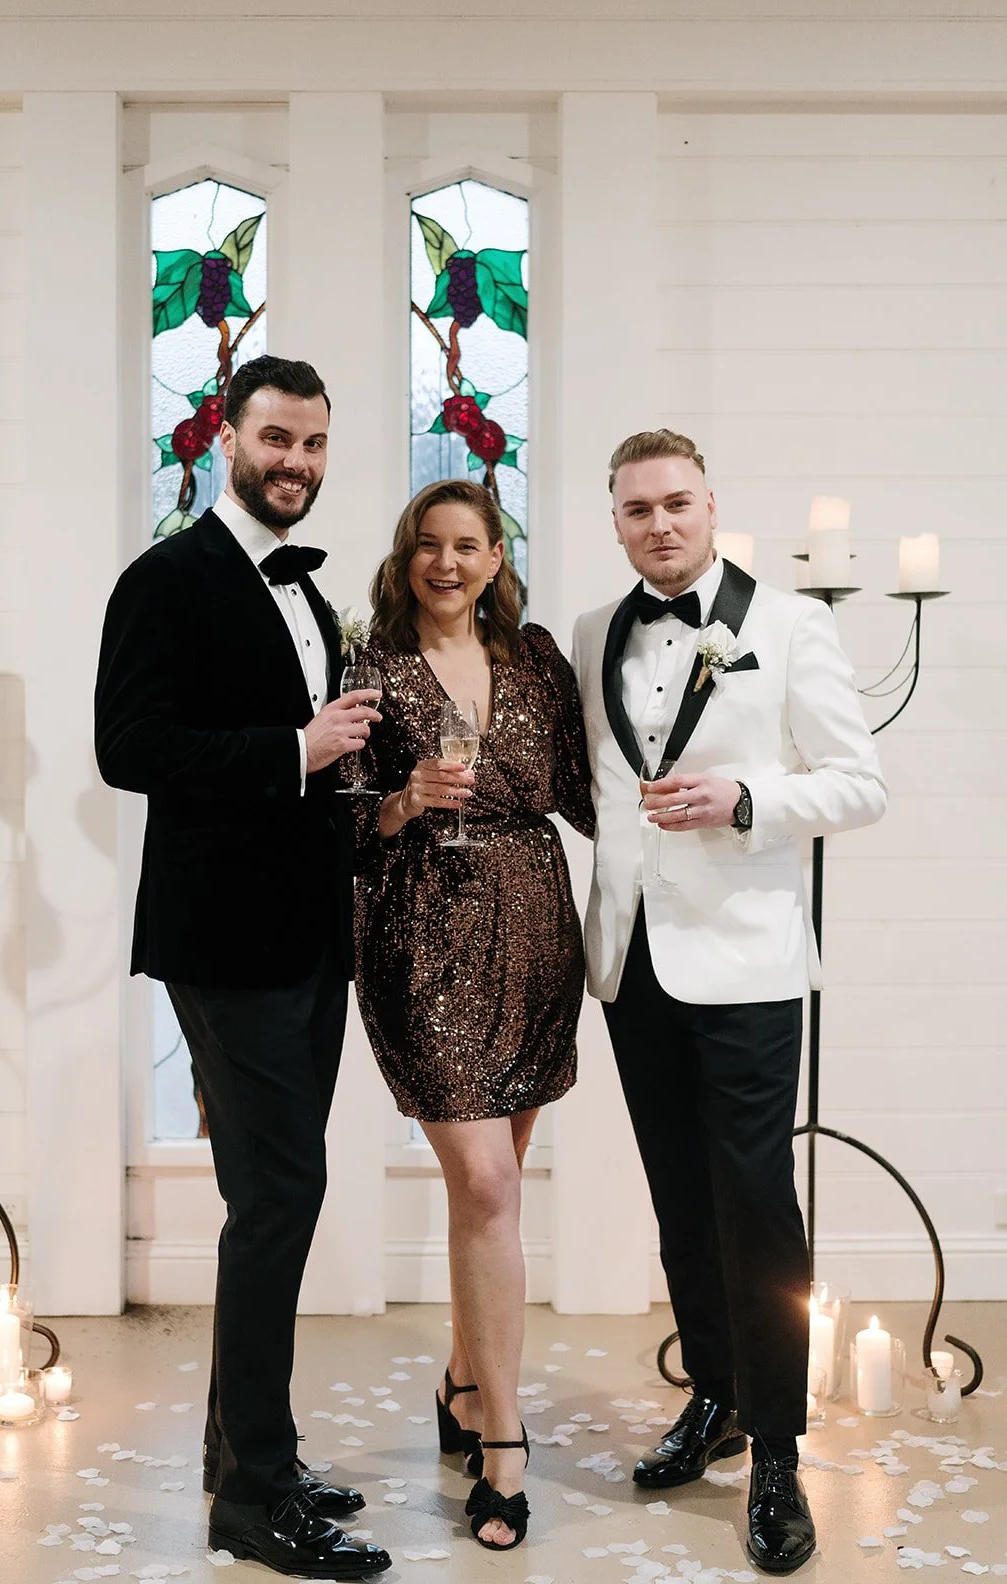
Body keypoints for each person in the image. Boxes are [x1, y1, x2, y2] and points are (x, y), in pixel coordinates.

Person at [94, 354, 390, 1581]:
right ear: (228, 437)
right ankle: (255, 1500)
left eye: (313, 443)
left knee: (272, 1196)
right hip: (226, 944)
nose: (296, 463)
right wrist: (293, 747)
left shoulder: (305, 590)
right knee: (278, 1201)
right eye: (276, 439)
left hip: (308, 938)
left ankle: (243, 1455)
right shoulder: (165, 579)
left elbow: (312, 759)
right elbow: (127, 746)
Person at [572, 430, 886, 1576]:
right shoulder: (589, 632)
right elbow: (596, 784)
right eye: (635, 509)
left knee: (753, 1201)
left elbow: (859, 784)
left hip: (748, 965)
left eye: (675, 503)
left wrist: (745, 797)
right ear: (615, 521)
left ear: (708, 505)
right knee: (678, 1196)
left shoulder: (790, 624)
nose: (657, 523)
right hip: (629, 958)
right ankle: (711, 1394)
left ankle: (776, 1451)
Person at [350, 478, 594, 1552]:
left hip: (534, 927)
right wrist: (404, 798)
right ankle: (502, 1440)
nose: (444, 564)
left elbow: (586, 789)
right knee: (487, 1183)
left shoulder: (536, 659)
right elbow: (342, 815)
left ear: (497, 559)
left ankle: (461, 1378)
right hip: (423, 933)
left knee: (493, 1189)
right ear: (406, 557)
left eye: (465, 546)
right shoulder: (371, 663)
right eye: (426, 545)